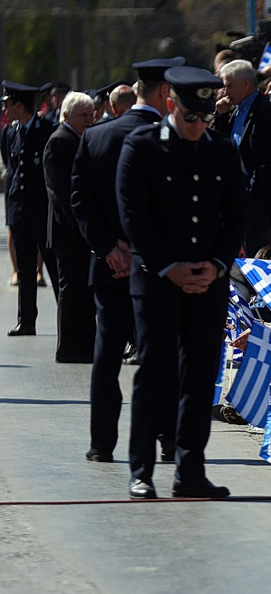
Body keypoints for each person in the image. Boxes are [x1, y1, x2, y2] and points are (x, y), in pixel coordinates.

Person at [116, 65, 246, 499]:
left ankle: (190, 470)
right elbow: (134, 215)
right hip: (157, 280)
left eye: (206, 119)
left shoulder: (223, 150)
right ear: (171, 105)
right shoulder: (143, 146)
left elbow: (235, 216)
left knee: (199, 375)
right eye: (191, 117)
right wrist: (167, 266)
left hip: (208, 282)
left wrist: (216, 263)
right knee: (154, 374)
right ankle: (142, 471)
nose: (198, 127)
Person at [71, 56, 183, 464]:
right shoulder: (169, 136)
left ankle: (102, 442)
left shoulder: (96, 135)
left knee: (107, 354)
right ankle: (167, 438)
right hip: (155, 264)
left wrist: (108, 248)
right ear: (165, 93)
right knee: (160, 353)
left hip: (109, 264)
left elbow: (80, 200)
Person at [1, 81, 59, 337]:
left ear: (19, 105)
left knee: (55, 268)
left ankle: (67, 320)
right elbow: (11, 165)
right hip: (20, 211)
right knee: (25, 268)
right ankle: (26, 320)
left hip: (43, 211)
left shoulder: (48, 130)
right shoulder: (8, 132)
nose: (4, 107)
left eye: (8, 103)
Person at [43, 91, 96, 363]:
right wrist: (84, 228)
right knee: (71, 290)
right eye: (83, 115)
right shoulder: (60, 142)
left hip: (82, 232)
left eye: (91, 114)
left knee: (84, 291)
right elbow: (62, 194)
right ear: (66, 116)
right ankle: (69, 348)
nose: (89, 119)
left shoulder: (81, 139)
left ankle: (85, 344)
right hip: (68, 232)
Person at [216, 59, 271, 254]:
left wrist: (251, 191)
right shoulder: (234, 110)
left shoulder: (267, 111)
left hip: (259, 199)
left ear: (246, 83)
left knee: (257, 254)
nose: (225, 91)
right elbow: (222, 146)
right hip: (237, 195)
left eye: (229, 85)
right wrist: (222, 116)